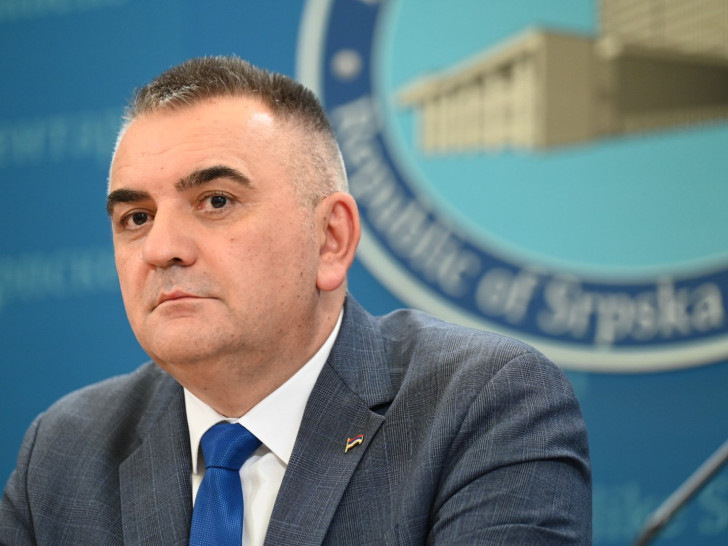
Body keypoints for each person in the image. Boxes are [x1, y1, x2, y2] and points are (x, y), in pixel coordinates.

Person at [0, 56, 591, 545]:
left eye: (216, 201)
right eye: (136, 217)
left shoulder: (481, 406)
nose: (162, 248)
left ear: (330, 239)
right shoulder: (64, 451)